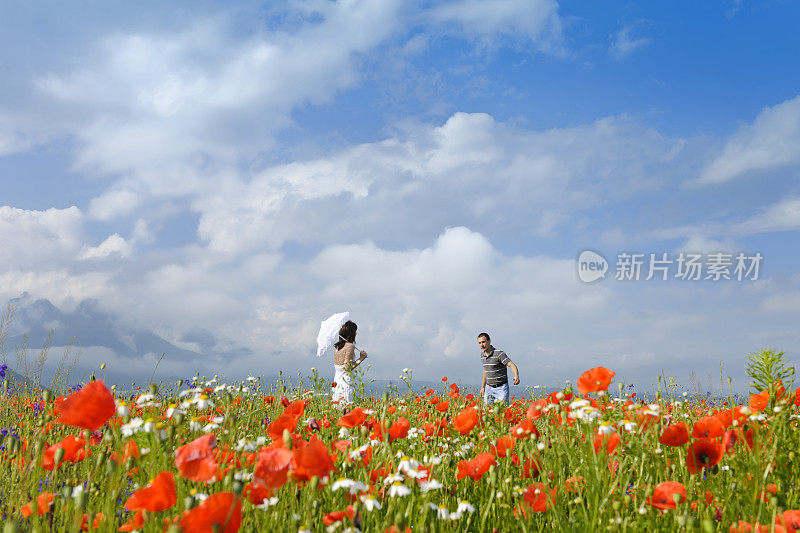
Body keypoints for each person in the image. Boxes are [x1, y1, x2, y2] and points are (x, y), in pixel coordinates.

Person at [478, 332, 519, 406]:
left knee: (502, 411)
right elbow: (485, 370)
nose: (482, 345)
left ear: (489, 341)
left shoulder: (499, 354)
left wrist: (516, 376)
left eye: (483, 342)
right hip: (488, 388)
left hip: (501, 388)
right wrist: (482, 387)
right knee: (487, 412)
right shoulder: (482, 355)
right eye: (479, 343)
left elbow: (512, 365)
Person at [332, 320, 367, 404]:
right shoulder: (350, 346)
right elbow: (348, 368)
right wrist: (361, 358)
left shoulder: (337, 347)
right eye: (355, 332)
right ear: (351, 333)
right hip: (346, 383)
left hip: (336, 382)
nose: (356, 334)